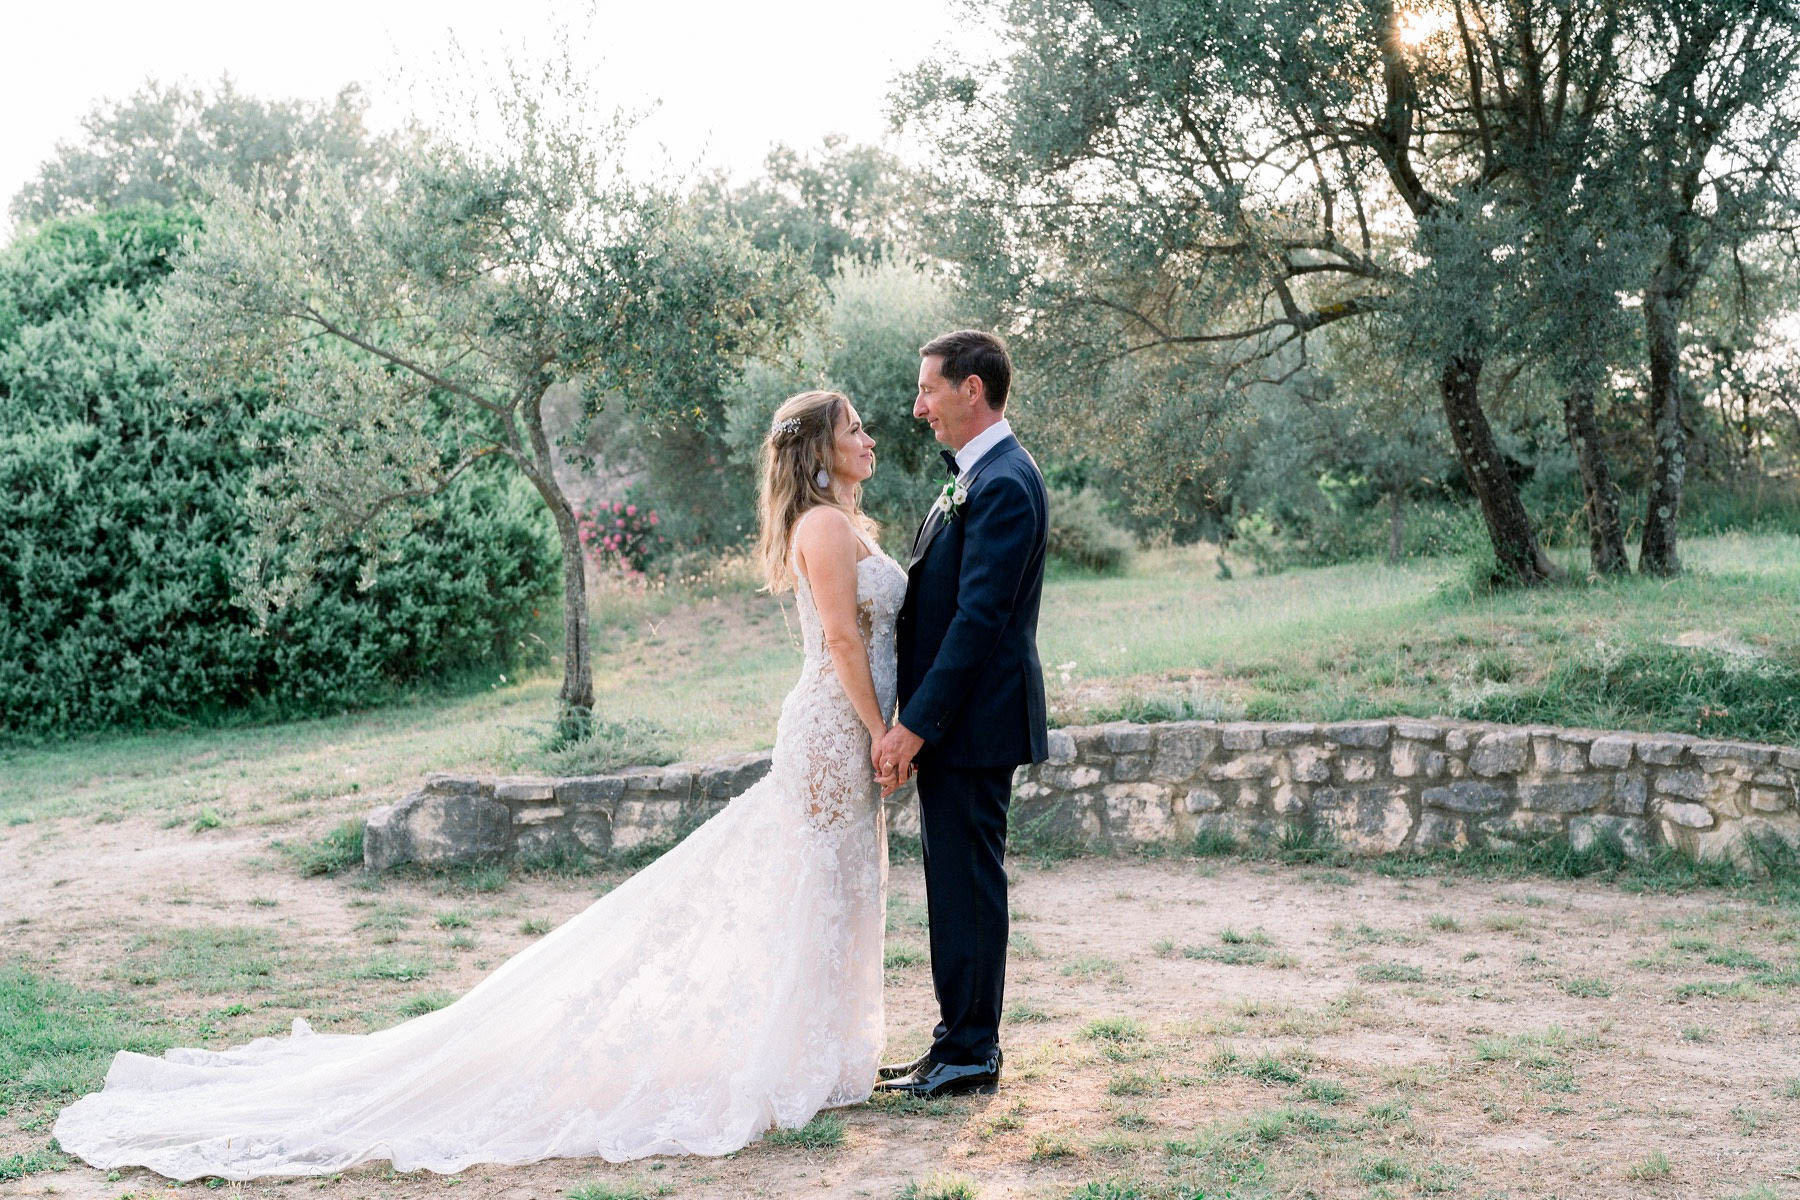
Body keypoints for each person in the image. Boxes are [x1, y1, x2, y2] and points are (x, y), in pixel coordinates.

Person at [52, 389, 909, 1181]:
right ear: (819, 451)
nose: (869, 439)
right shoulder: (825, 529)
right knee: (817, 885)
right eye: (855, 430)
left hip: (846, 732)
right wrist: (883, 734)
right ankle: (800, 1060)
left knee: (833, 885)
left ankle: (821, 1053)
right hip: (834, 735)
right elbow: (840, 643)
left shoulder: (841, 520)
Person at [873, 330, 1050, 1099]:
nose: (919, 409)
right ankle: (954, 1042)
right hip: (958, 726)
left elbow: (978, 622)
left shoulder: (1005, 483)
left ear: (970, 390)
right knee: (953, 885)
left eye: (928, 391)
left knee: (969, 887)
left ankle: (973, 1053)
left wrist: (914, 724)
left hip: (970, 726)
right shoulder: (979, 477)